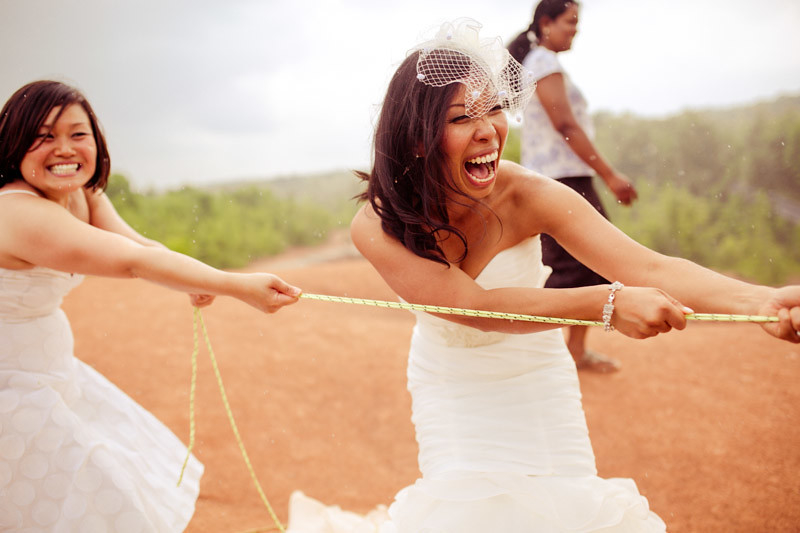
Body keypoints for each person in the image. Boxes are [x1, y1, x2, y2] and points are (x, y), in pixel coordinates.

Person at [285, 18, 800, 533]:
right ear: (418, 141)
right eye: (463, 117)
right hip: (451, 386)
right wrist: (606, 303)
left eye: (494, 110)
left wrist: (760, 302)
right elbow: (473, 309)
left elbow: (649, 266)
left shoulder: (531, 193)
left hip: (538, 375)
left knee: (566, 511)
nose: (488, 130)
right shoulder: (377, 223)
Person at [0, 80, 302, 531]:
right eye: (44, 136)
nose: (64, 149)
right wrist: (235, 285)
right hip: (10, 382)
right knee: (83, 490)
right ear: (13, 143)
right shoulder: (17, 213)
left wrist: (187, 280)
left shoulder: (82, 195)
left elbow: (140, 245)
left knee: (92, 492)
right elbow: (133, 263)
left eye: (77, 134)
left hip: (49, 367)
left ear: (96, 142)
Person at [507, 0, 637, 372]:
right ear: (546, 22)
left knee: (590, 266)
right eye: (570, 22)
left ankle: (572, 353)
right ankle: (526, 355)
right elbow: (565, 126)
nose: (574, 30)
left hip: (567, 179)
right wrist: (610, 176)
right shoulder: (543, 63)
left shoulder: (541, 62)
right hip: (560, 181)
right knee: (573, 269)